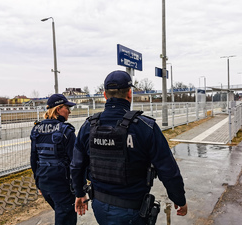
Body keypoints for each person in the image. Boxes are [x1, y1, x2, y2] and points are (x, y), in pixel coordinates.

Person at [70, 70, 187, 224]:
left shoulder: (88, 126)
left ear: (105, 95)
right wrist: (178, 198)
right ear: (129, 94)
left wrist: (79, 193)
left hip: (99, 206)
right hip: (133, 210)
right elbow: (167, 169)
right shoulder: (145, 126)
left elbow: (76, 166)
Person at [30, 94, 77, 225]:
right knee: (66, 219)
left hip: (45, 184)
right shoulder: (66, 131)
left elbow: (34, 159)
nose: (69, 111)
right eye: (67, 108)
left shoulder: (36, 129)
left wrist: (38, 183)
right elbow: (76, 162)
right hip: (62, 186)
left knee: (61, 213)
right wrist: (79, 189)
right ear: (58, 109)